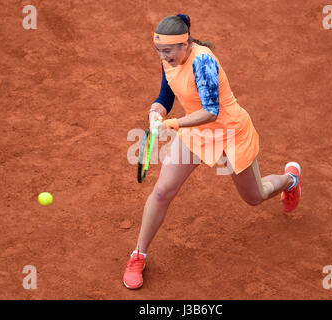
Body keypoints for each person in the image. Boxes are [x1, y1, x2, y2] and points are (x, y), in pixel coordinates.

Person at [123, 14, 301, 289]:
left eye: (167, 51)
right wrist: (155, 114)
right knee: (161, 191)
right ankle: (138, 255)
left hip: (229, 133)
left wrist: (172, 124)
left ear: (184, 44)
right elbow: (165, 97)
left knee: (256, 196)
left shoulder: (202, 62)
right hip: (197, 133)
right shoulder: (169, 59)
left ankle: (291, 180)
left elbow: (210, 112)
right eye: (159, 51)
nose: (162, 56)